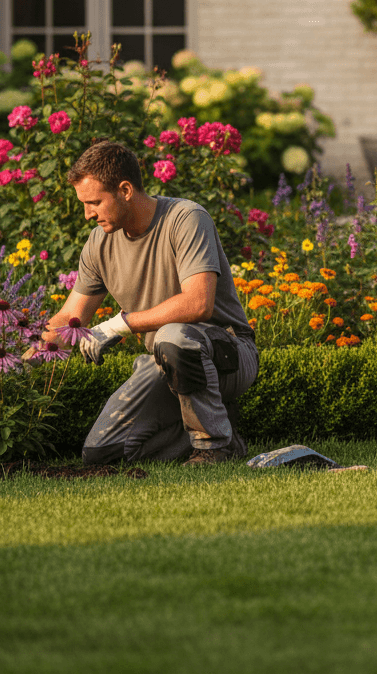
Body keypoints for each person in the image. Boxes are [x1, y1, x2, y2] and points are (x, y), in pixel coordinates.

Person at [42, 140, 257, 466]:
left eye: (95, 202)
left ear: (125, 190)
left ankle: (214, 448)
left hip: (227, 353)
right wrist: (27, 351)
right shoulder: (100, 243)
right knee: (101, 453)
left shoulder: (185, 218)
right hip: (167, 361)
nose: (88, 214)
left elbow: (199, 304)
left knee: (174, 337)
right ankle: (224, 431)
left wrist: (118, 325)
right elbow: (72, 315)